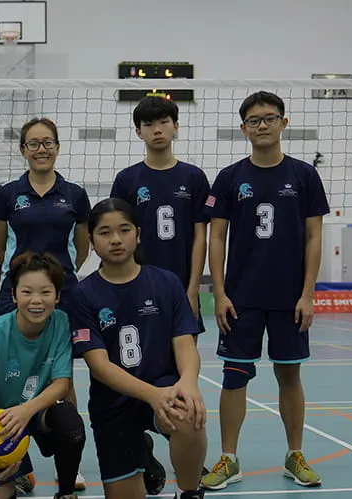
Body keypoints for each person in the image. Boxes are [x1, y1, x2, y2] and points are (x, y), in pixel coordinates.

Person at [200, 91, 329, 490]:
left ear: (283, 123)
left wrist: (308, 293)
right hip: (242, 298)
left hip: (289, 298)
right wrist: (219, 292)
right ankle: (229, 459)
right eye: (254, 120)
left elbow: (314, 237)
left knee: (290, 376)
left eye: (269, 118)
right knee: (234, 377)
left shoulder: (304, 175)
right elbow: (216, 238)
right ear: (243, 128)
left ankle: (295, 455)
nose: (262, 125)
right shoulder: (230, 177)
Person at [69, 198, 208, 499]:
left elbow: (185, 343)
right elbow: (99, 365)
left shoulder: (166, 283)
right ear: (91, 241)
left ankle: (189, 491)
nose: (116, 239)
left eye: (124, 229)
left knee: (189, 413)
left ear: (139, 233)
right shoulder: (82, 295)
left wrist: (187, 381)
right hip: (113, 404)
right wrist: (151, 395)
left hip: (163, 387)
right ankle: (142, 455)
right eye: (105, 233)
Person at [109, 95, 212, 492]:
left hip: (179, 292)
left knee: (181, 372)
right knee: (134, 368)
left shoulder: (193, 177)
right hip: (136, 292)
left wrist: (192, 287)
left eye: (164, 121)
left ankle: (188, 456)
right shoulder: (128, 180)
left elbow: (201, 233)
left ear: (175, 126)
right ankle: (139, 448)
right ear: (138, 132)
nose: (157, 129)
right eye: (149, 124)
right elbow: (117, 233)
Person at [0, 117, 90, 492]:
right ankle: (15, 458)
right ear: (23, 150)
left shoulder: (75, 194)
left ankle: (70, 459)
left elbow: (82, 246)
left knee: (64, 374)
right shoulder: (7, 193)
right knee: (9, 376)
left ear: (58, 147)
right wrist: (23, 279)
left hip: (62, 295)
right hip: (16, 293)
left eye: (48, 142)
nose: (41, 149)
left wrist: (55, 279)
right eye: (33, 143)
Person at [0, 252, 86, 499]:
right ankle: (19, 466)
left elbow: (62, 383)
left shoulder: (61, 322)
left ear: (57, 296)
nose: (36, 301)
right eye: (26, 292)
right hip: (1, 420)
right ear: (13, 295)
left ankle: (66, 493)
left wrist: (26, 411)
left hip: (36, 412)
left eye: (45, 292)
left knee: (71, 425)